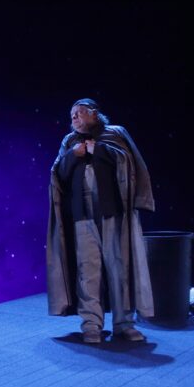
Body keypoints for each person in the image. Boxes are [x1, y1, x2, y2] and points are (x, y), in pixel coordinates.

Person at [46, 98, 155, 343]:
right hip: (82, 216)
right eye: (71, 115)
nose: (74, 118)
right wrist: (73, 155)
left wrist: (99, 151)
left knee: (120, 269)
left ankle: (124, 325)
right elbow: (57, 173)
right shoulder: (70, 141)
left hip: (114, 213)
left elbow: (130, 163)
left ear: (94, 114)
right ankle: (91, 326)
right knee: (88, 272)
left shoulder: (115, 134)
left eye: (79, 113)